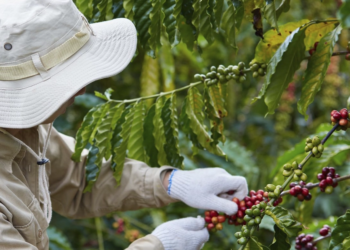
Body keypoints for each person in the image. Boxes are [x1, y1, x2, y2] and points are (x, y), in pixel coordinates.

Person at [0, 0, 248, 249]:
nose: (82, 88)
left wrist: (171, 182)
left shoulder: (23, 131)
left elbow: (78, 178)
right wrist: (156, 246)